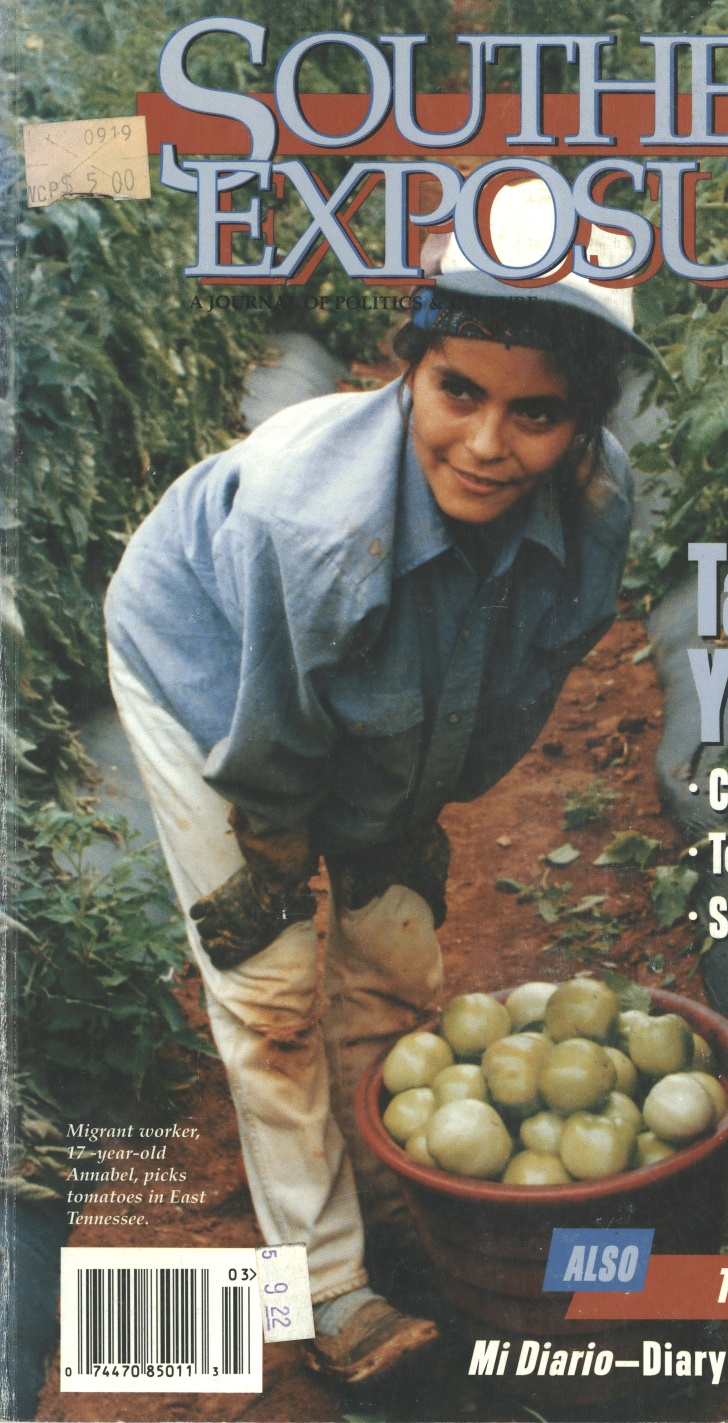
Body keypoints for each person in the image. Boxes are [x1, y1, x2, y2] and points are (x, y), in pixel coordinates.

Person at [103, 180, 651, 1388]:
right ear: (408, 362)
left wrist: (396, 827)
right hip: (210, 673)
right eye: (458, 390)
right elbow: (272, 751)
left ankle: (394, 1175)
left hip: (368, 709)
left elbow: (508, 691)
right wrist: (299, 866)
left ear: (587, 423)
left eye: (541, 412)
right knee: (275, 986)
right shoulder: (314, 527)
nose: (490, 442)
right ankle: (328, 1283)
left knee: (396, 954)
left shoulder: (600, 506)